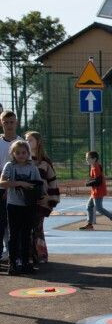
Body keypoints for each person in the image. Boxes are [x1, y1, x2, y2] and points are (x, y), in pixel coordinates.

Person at [0, 139, 42, 275]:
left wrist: (38, 192)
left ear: (28, 153)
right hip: (14, 205)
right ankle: (13, 264)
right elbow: (2, 182)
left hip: (28, 205)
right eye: (18, 153)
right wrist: (21, 183)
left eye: (24, 152)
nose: (21, 155)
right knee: (14, 235)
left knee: (26, 235)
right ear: (13, 153)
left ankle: (25, 262)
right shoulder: (10, 166)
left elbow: (39, 184)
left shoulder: (32, 167)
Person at [25, 131, 59, 265]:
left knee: (38, 228)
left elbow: (52, 181)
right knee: (26, 228)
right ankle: (27, 255)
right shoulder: (22, 159)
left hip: (41, 200)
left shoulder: (45, 161)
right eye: (26, 140)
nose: (27, 142)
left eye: (30, 140)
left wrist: (50, 198)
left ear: (38, 142)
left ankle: (41, 255)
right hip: (25, 200)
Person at [0, 110, 22, 264]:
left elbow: (24, 166)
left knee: (14, 225)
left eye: (11, 122)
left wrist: (10, 187)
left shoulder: (21, 143)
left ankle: (14, 255)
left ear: (16, 123)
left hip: (15, 190)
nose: (9, 125)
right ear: (1, 123)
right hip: (0, 187)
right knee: (1, 223)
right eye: (6, 122)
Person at [79, 151, 112, 231]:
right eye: (86, 158)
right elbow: (95, 179)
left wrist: (88, 183)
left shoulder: (95, 167)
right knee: (89, 206)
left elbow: (98, 181)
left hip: (98, 191)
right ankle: (90, 224)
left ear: (94, 159)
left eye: (88, 158)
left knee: (99, 208)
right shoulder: (93, 166)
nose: (86, 159)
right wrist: (89, 182)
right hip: (95, 190)